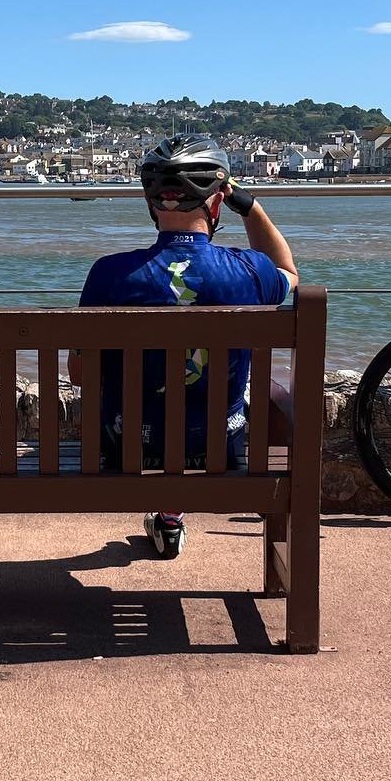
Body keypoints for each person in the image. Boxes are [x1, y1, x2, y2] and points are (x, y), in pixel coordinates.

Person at [71, 135, 299, 559]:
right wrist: (250, 206)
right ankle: (171, 514)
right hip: (220, 448)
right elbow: (289, 272)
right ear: (216, 204)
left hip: (128, 448)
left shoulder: (109, 274)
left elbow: (82, 375)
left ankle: (168, 512)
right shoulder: (250, 271)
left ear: (151, 204)